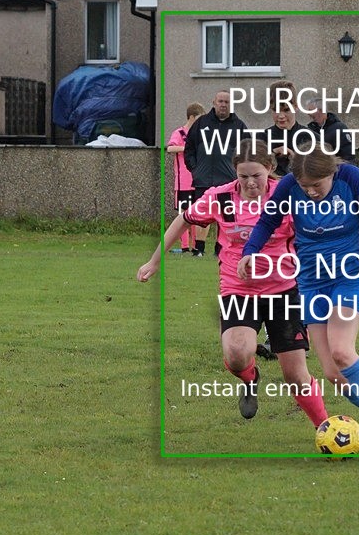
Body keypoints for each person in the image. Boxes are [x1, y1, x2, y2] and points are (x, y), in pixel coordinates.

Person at [238, 149, 359, 454]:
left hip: (348, 277)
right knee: (334, 375)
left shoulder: (351, 179)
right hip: (311, 283)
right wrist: (250, 251)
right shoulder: (289, 185)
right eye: (305, 186)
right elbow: (268, 221)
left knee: (343, 352)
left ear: (331, 173)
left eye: (317, 185)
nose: (310, 191)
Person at [137, 140, 328, 431]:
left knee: (296, 376)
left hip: (284, 290)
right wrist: (154, 262)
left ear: (270, 168)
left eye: (257, 175)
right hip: (238, 290)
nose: (250, 183)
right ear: (235, 172)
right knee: (237, 354)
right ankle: (250, 378)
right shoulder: (220, 197)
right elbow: (183, 220)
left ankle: (325, 428)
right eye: (243, 176)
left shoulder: (290, 196)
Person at [184, 91, 248, 257]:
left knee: (226, 217)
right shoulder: (201, 123)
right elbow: (189, 149)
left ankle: (221, 249)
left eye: (227, 102)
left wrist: (238, 174)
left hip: (228, 181)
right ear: (214, 102)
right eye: (220, 101)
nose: (223, 105)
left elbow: (247, 152)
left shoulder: (239, 126)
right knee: (201, 214)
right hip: (203, 180)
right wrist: (195, 169)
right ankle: (199, 248)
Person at [166, 102, 205, 253]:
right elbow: (170, 148)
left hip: (197, 181)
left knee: (195, 213)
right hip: (183, 182)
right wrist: (186, 148)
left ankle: (196, 245)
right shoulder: (179, 133)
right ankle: (184, 246)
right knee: (183, 214)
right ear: (192, 117)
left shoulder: (200, 134)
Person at [263, 81, 316, 177]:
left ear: (296, 107)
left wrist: (298, 160)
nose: (281, 116)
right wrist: (273, 153)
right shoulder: (262, 138)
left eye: (286, 110)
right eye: (275, 110)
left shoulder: (311, 137)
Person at [305, 96, 356, 163]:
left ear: (321, 110)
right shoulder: (310, 130)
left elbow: (348, 155)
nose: (308, 113)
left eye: (310, 110)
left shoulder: (340, 128)